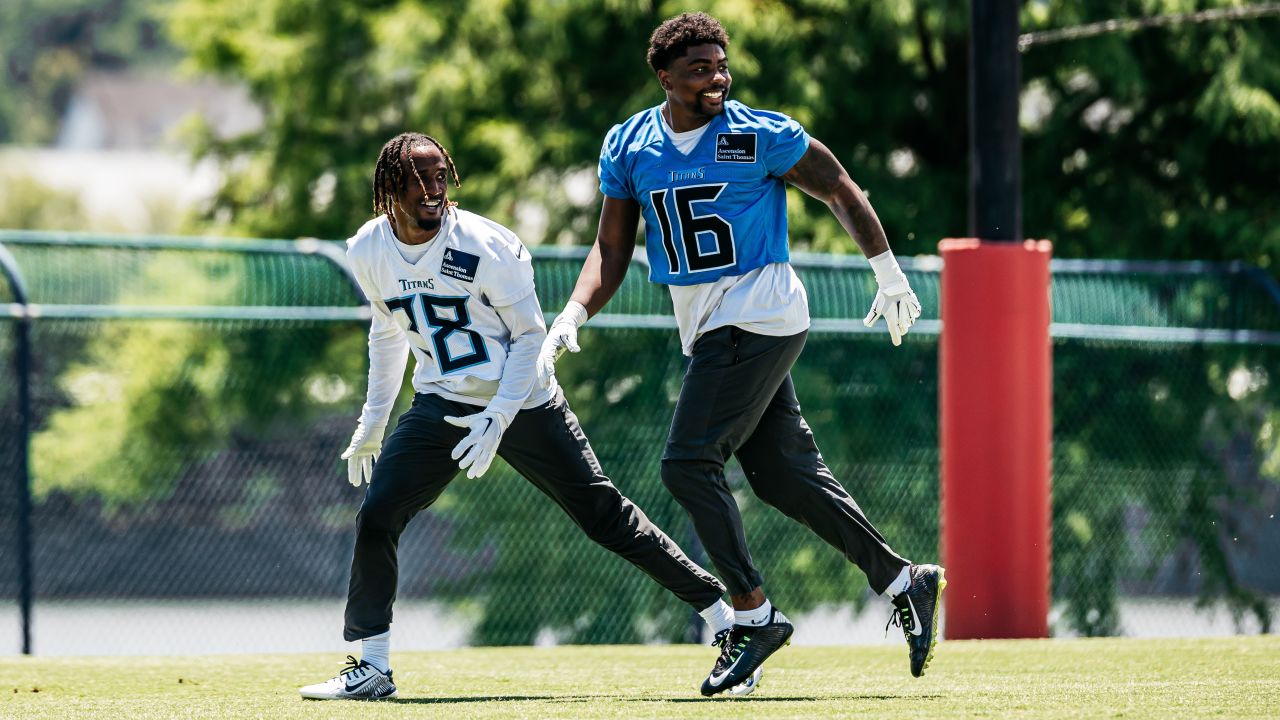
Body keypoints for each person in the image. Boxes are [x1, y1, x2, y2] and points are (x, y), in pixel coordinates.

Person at [536, 12, 946, 696]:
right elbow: (612, 251)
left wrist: (888, 271)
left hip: (758, 314)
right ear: (664, 76)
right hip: (708, 328)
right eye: (700, 69)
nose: (717, 79)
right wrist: (574, 313)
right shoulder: (630, 144)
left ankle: (752, 615)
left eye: (722, 66)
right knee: (782, 476)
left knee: (686, 462)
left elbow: (838, 186)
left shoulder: (757, 133)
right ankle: (906, 579)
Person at [300, 132, 757, 700]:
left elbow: (529, 337)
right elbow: (387, 332)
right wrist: (371, 423)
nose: (434, 188)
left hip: (524, 400)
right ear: (389, 186)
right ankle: (371, 665)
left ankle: (723, 616)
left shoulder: (486, 243)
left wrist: (498, 415)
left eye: (441, 174)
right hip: (442, 401)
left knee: (604, 516)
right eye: (419, 177)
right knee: (378, 515)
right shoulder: (368, 247)